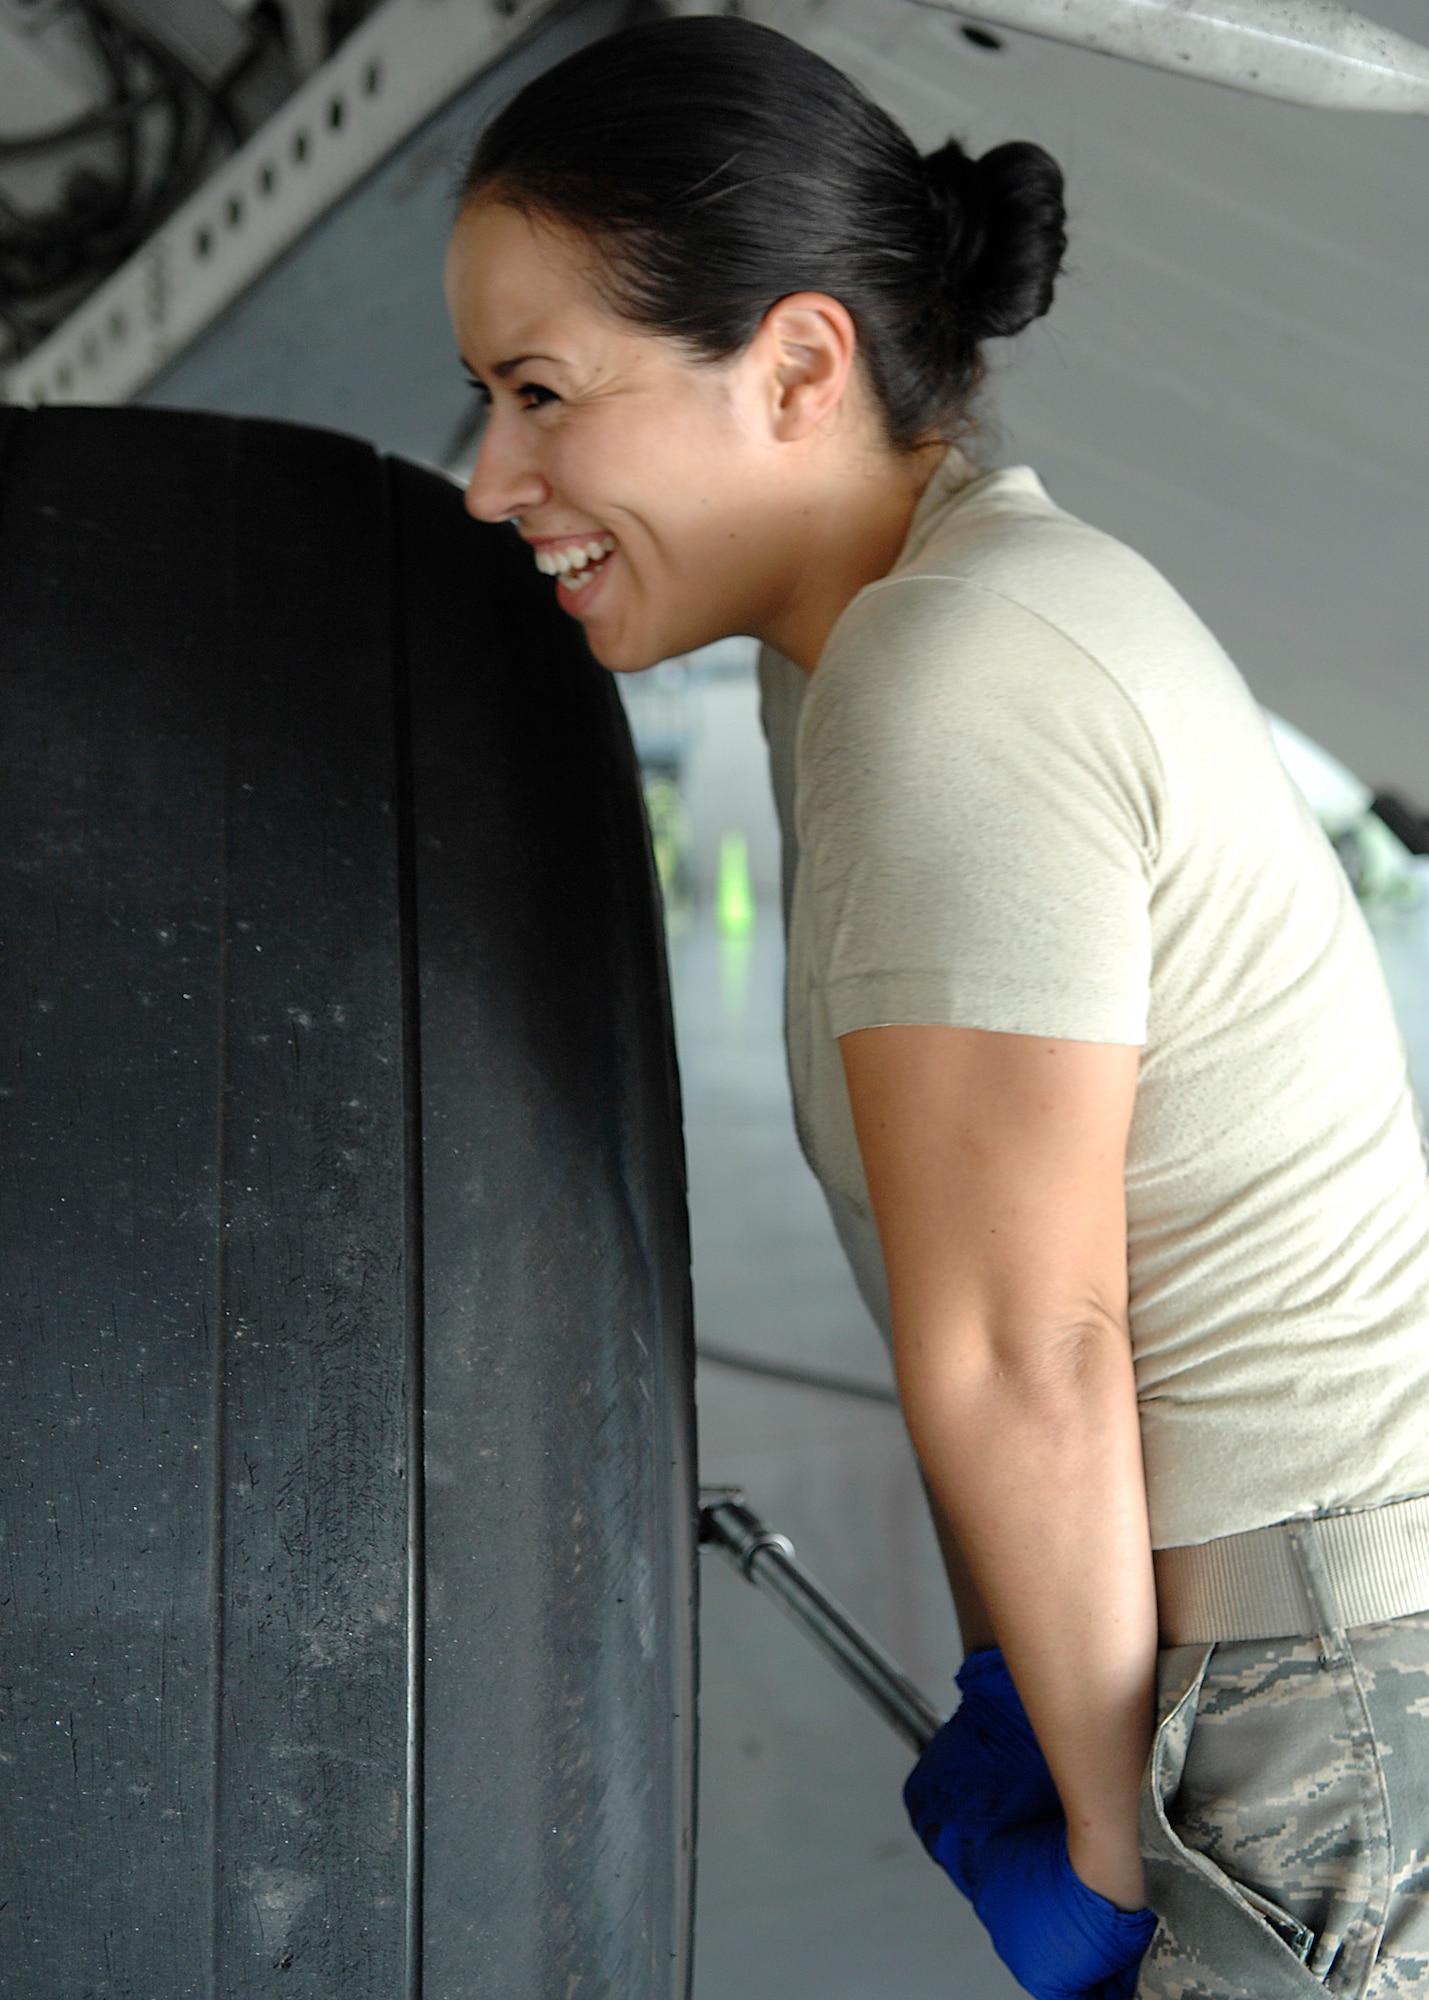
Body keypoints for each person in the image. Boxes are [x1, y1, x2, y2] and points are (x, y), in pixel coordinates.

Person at [442, 17, 1429, 1995]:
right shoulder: (916, 631)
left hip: (1303, 1699)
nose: (488, 481)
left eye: (543, 393)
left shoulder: (947, 669)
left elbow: (1023, 1345)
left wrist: (1106, 1845)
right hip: (1285, 1649)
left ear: (799, 363)